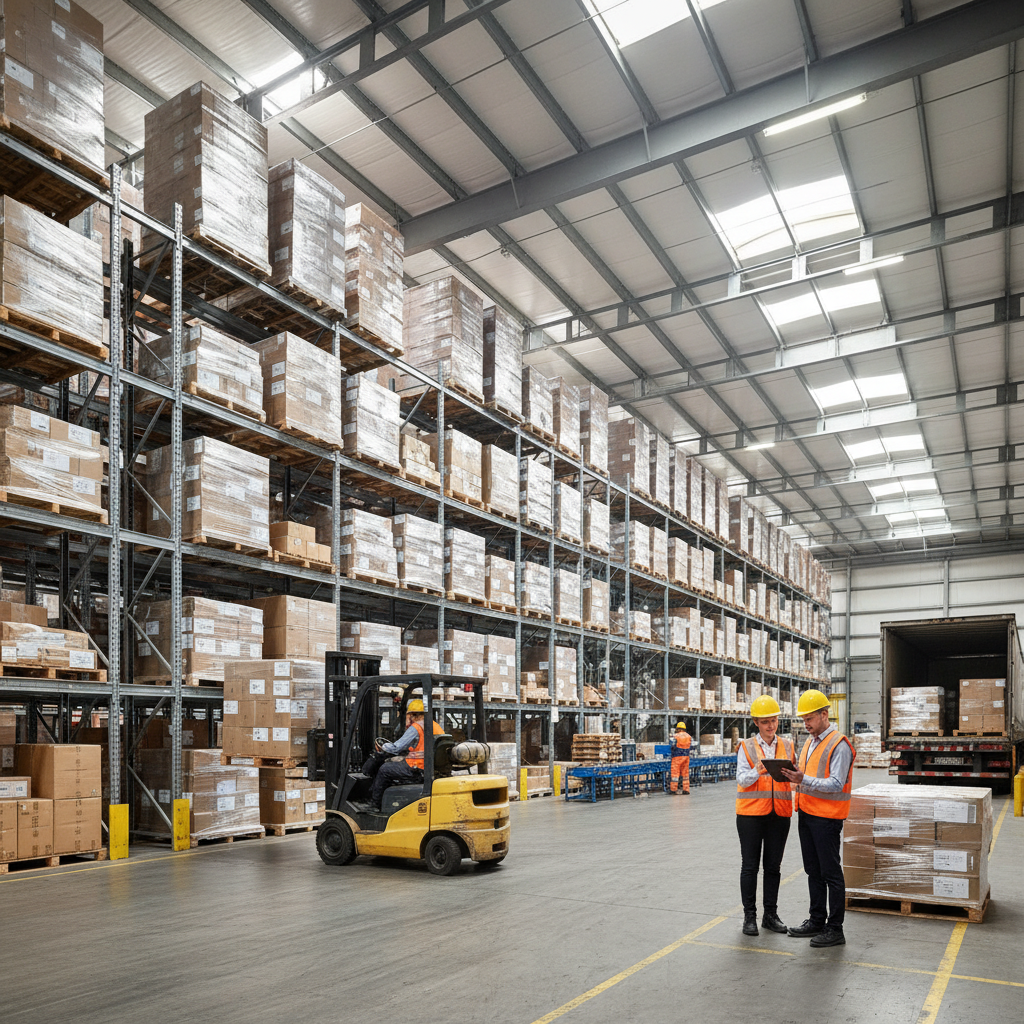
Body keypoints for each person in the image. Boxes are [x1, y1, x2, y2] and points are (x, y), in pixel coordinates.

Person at [781, 689, 855, 948]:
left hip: (827, 818)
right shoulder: (811, 741)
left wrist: (803, 779)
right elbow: (810, 774)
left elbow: (835, 783)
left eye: (810, 718)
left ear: (825, 714)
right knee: (813, 871)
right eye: (804, 719)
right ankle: (816, 920)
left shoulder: (839, 744)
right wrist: (794, 774)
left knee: (831, 872)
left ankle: (835, 928)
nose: (806, 724)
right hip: (808, 814)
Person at [736, 695, 794, 937]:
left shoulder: (788, 746)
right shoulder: (746, 747)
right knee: (750, 867)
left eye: (774, 720)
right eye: (765, 722)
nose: (771, 726)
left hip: (779, 815)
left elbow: (795, 777)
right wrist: (757, 770)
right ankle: (750, 917)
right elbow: (740, 779)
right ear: (756, 723)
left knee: (773, 867)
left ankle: (770, 915)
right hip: (751, 815)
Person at [364, 699, 444, 811]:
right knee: (394, 764)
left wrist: (383, 747)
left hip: (417, 769)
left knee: (384, 769)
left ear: (413, 715)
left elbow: (396, 748)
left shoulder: (417, 727)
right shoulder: (435, 726)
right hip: (429, 768)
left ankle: (375, 804)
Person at [669, 721, 691, 794]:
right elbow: (692, 746)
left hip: (677, 756)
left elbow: (672, 746)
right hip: (686, 756)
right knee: (685, 774)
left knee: (675, 773)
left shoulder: (676, 736)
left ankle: (674, 789)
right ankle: (686, 789)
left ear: (678, 729)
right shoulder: (689, 736)